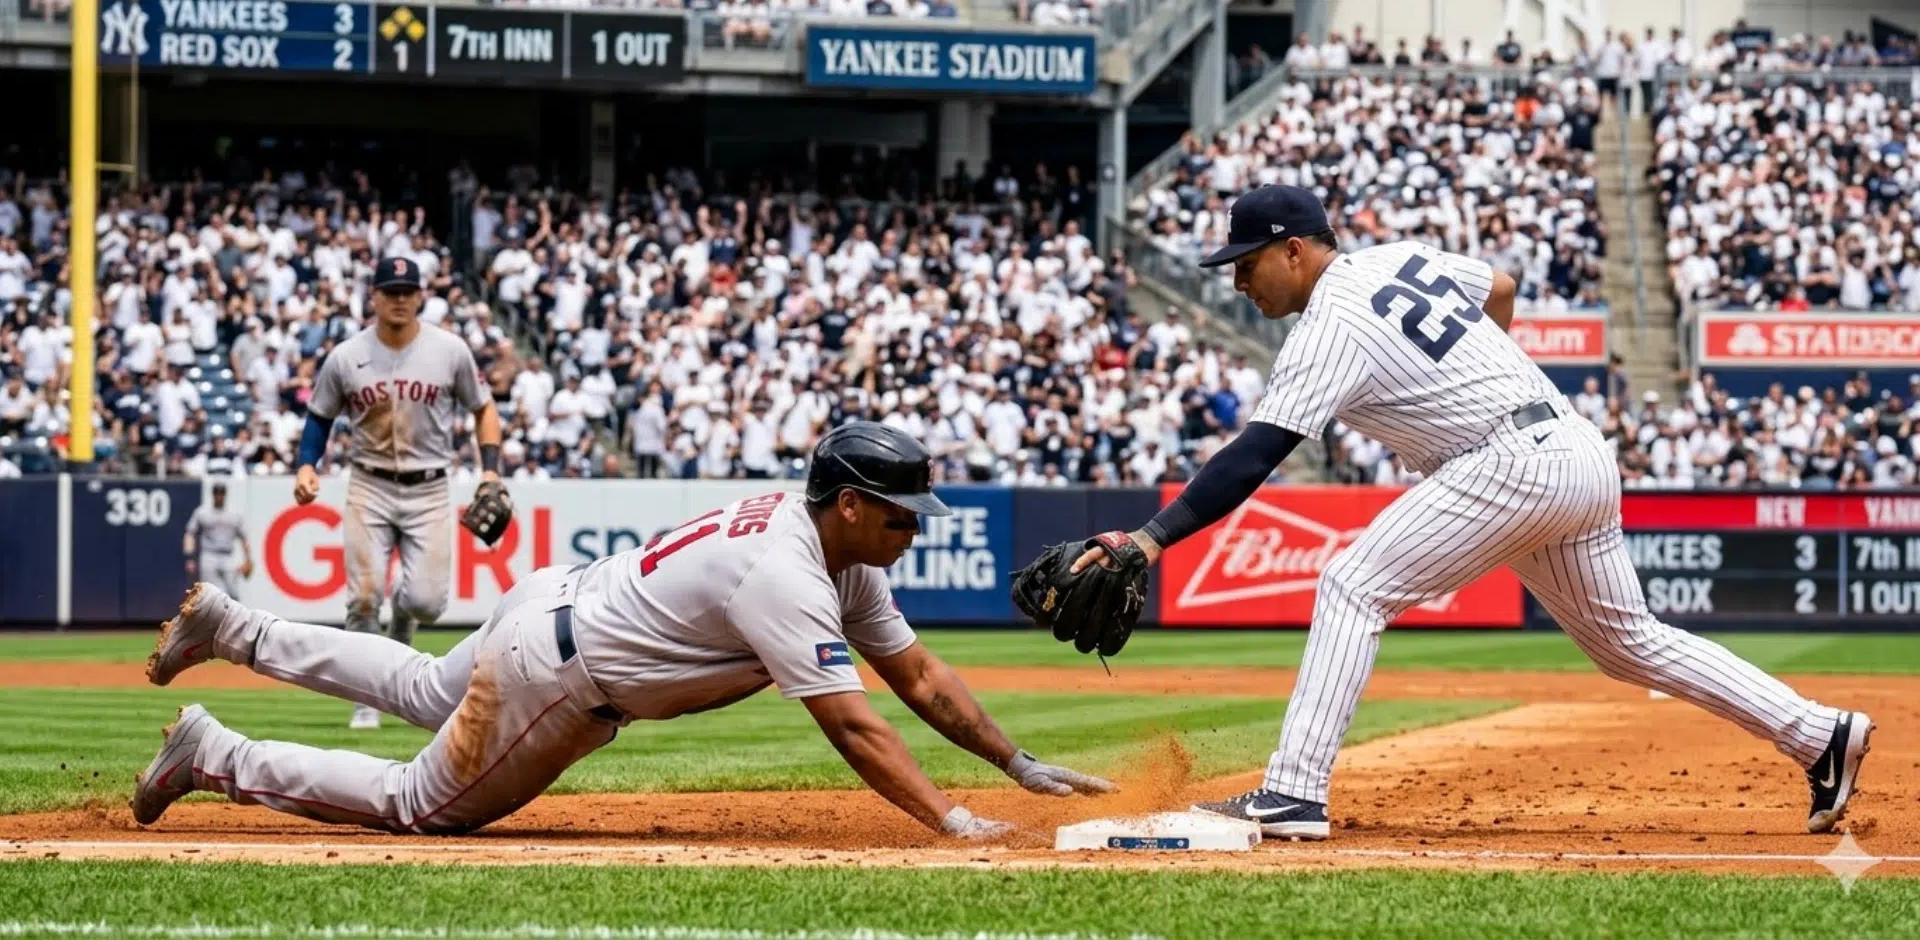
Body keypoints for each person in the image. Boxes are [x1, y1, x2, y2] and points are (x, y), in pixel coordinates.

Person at [1037, 184, 1872, 840]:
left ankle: (1293, 791)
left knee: (1352, 585)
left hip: (1510, 461)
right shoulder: (1397, 258)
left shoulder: (1328, 323)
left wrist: (1147, 540)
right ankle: (1818, 733)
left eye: (1248, 262)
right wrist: (1489, 374)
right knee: (1629, 644)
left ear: (1294, 250)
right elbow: (1499, 286)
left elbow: (1255, 454)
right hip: (1572, 449)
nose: (1239, 279)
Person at [132, 423, 1110, 836]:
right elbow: (855, 725)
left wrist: (1014, 761)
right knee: (413, 804)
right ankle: (214, 751)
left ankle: (236, 626)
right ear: (851, 505)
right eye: (902, 513)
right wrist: (947, 819)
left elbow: (920, 676)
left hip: (551, 605)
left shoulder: (829, 550)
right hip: (558, 675)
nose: (914, 529)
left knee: (428, 687)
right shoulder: (790, 575)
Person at [295, 256, 506, 730]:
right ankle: (367, 696)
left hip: (429, 486)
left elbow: (484, 408)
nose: (399, 299)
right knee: (364, 598)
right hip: (368, 483)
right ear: (373, 296)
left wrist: (490, 471)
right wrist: (307, 464)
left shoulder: (449, 350)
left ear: (420, 296)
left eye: (407, 291)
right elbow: (319, 416)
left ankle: (404, 623)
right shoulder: (347, 356)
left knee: (426, 601)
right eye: (390, 291)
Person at [182, 482, 252, 597]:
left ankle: (234, 615)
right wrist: (190, 557)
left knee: (233, 592)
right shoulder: (202, 512)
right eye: (217, 493)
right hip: (209, 555)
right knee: (209, 593)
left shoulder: (234, 514)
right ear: (213, 494)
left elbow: (244, 538)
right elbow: (190, 534)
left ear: (225, 495)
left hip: (228, 556)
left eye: (221, 493)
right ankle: (213, 615)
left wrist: (247, 559)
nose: (219, 496)